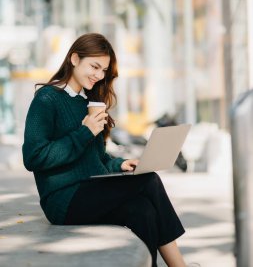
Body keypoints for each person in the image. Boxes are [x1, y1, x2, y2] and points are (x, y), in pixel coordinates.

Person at [22, 33, 186, 267]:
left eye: (103, 71)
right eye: (94, 66)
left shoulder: (89, 101)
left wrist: (118, 164)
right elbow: (34, 157)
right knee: (149, 181)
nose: (99, 75)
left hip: (91, 191)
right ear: (75, 59)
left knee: (143, 210)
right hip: (63, 200)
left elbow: (95, 157)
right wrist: (85, 132)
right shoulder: (47, 99)